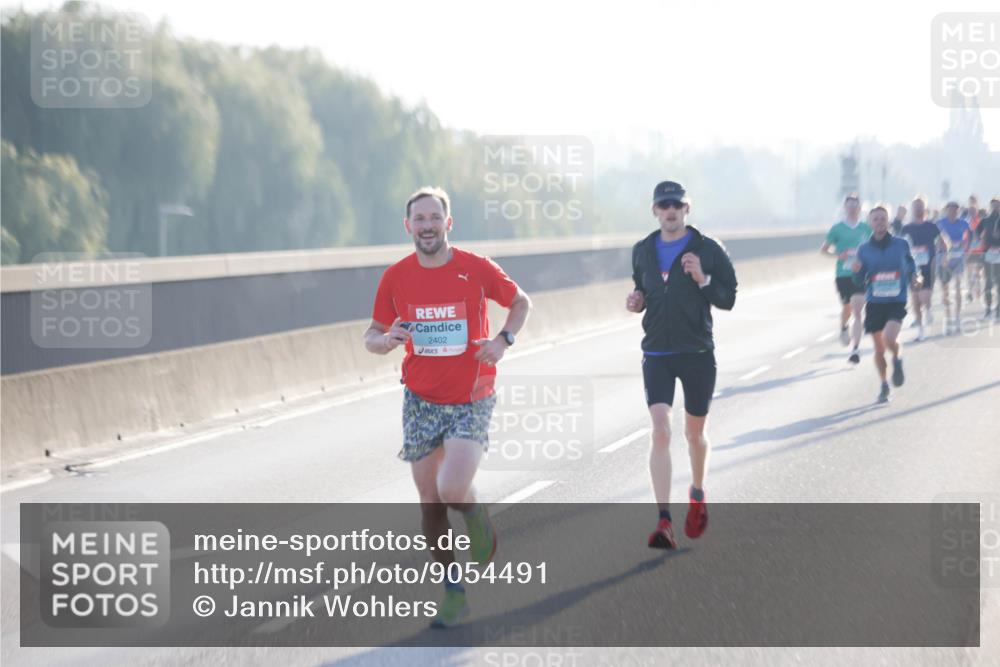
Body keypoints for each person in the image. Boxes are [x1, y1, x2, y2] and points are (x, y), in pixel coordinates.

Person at [364, 186, 532, 627]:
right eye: (419, 219)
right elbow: (372, 334)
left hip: (471, 396)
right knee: (430, 502)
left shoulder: (474, 268)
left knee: (452, 489)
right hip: (420, 399)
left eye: (434, 218)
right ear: (408, 227)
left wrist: (502, 340)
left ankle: (476, 517)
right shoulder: (396, 276)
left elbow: (520, 302)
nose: (427, 226)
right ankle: (453, 589)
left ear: (448, 223)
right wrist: (385, 341)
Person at [626, 181, 737, 549]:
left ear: (687, 208)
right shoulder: (643, 250)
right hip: (656, 352)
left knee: (693, 435)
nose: (670, 211)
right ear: (655, 211)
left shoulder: (707, 249)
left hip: (697, 354)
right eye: (663, 205)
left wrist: (703, 279)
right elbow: (643, 288)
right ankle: (663, 520)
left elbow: (728, 297)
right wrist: (637, 300)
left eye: (676, 205)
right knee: (660, 430)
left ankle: (698, 492)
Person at [852, 205, 918, 403]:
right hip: (875, 302)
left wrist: (916, 278)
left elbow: (911, 265)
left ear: (888, 221)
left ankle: (897, 358)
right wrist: (856, 271)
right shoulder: (863, 249)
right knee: (879, 349)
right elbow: (858, 280)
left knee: (889, 339)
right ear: (870, 224)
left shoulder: (901, 244)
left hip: (896, 300)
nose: (879, 222)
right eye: (875, 219)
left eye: (883, 218)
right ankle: (883, 385)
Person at [820, 194, 872, 363]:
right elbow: (824, 250)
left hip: (860, 274)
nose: (851, 207)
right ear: (845, 207)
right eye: (848, 205)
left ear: (859, 207)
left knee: (858, 310)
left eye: (854, 205)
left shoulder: (866, 228)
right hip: (843, 274)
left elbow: (875, 247)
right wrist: (839, 255)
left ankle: (855, 349)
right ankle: (843, 327)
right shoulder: (837, 228)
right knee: (847, 308)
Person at [900, 197, 940, 341]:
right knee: (915, 301)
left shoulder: (931, 226)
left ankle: (928, 308)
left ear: (925, 208)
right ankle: (921, 330)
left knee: (924, 298)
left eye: (920, 206)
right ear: (912, 208)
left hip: (928, 266)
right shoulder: (906, 228)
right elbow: (901, 246)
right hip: (912, 268)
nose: (918, 209)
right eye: (916, 206)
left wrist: (942, 255)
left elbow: (942, 241)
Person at [937, 201, 972, 335]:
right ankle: (948, 317)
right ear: (946, 210)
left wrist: (967, 250)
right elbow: (936, 239)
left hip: (958, 258)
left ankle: (957, 318)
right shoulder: (940, 223)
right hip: (944, 259)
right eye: (951, 209)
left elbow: (970, 236)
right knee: (945, 291)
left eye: (956, 210)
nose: (953, 212)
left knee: (958, 286)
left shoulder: (963, 223)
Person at [982, 197, 1000, 320]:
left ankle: (998, 310)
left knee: (999, 283)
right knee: (988, 282)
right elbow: (978, 232)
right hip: (988, 253)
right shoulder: (986, 220)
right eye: (993, 205)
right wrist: (983, 238)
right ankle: (988, 308)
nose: (995, 208)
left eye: (997, 205)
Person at [966, 196, 984, 304]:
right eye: (970, 211)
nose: (972, 213)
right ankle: (970, 291)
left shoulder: (980, 221)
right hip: (970, 251)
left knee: (977, 273)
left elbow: (984, 234)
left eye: (974, 211)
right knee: (970, 273)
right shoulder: (966, 221)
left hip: (979, 250)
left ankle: (977, 288)